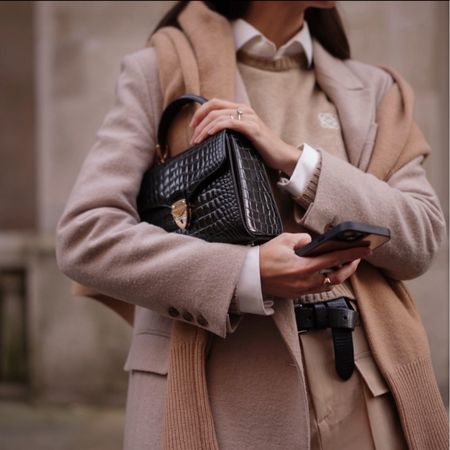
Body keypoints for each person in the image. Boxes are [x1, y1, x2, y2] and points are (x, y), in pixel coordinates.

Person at [55, 1, 448, 449]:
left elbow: (421, 237)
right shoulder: (159, 71)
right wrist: (247, 273)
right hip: (219, 393)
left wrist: (298, 161)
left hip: (363, 388)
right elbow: (88, 234)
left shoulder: (376, 89)